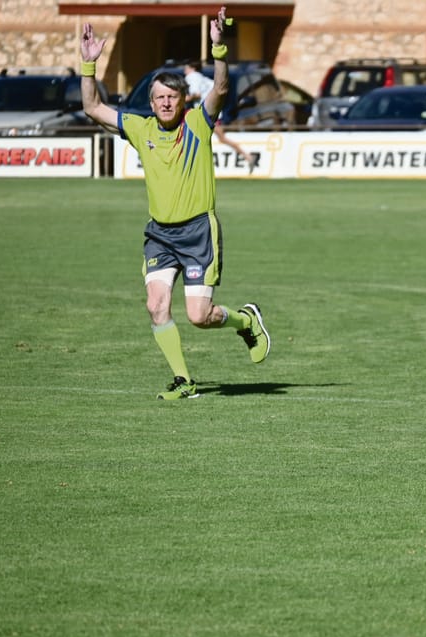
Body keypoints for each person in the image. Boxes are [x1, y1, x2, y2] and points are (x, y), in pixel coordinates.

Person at [79, 7, 271, 400]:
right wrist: (88, 64)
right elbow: (93, 108)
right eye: (159, 98)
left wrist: (219, 51)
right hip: (160, 235)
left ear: (183, 99)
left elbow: (219, 90)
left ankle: (244, 321)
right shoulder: (139, 127)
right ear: (150, 102)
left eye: (172, 97)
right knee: (156, 305)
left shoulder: (198, 124)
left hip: (199, 231)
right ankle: (185, 381)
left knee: (200, 317)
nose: (165, 103)